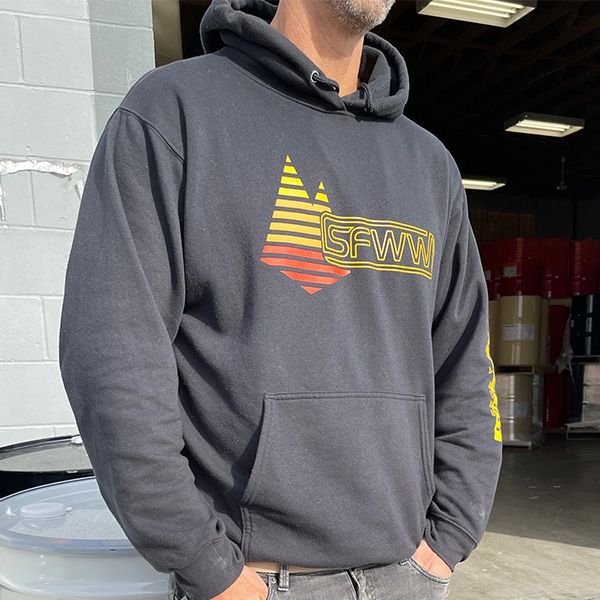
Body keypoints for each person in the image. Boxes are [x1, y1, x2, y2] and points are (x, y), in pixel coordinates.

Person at [58, 0, 504, 598]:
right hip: (260, 580)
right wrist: (202, 560)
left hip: (410, 574)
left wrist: (451, 534)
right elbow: (112, 354)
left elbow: (466, 360)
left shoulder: (429, 166)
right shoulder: (175, 113)